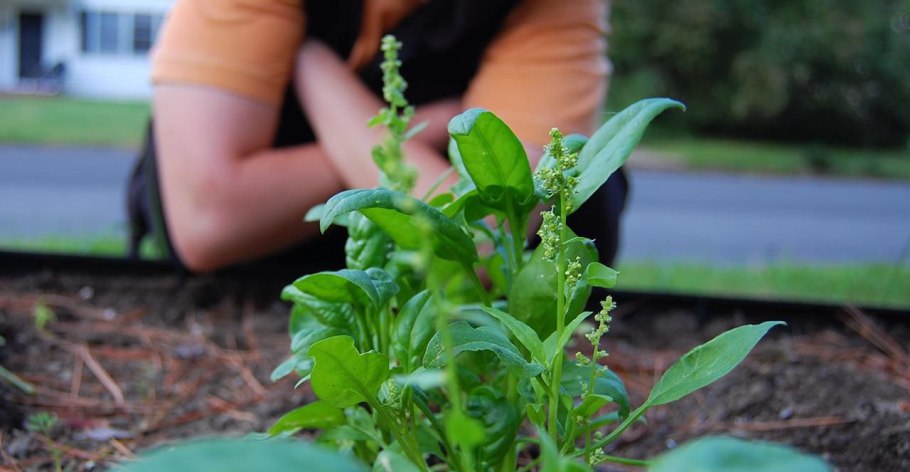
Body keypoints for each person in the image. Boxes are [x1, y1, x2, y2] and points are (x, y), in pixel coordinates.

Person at [127, 0, 627, 274]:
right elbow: (207, 220)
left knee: (582, 176)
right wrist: (428, 130)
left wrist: (316, 73)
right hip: (264, 265)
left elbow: (486, 238)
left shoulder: (554, 9)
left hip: (432, 298)